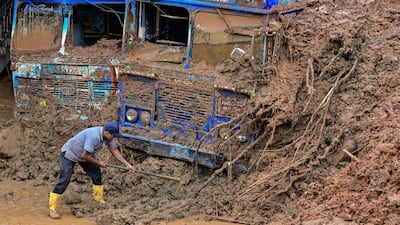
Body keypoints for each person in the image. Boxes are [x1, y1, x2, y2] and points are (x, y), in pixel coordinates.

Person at [48, 122, 135, 219]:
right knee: (64, 180)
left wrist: (127, 164)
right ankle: (52, 208)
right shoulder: (94, 136)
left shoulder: (107, 137)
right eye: (114, 135)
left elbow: (114, 150)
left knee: (96, 175)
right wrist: (99, 163)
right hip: (70, 154)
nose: (114, 137)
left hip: (84, 155)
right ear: (107, 132)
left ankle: (99, 199)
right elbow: (85, 155)